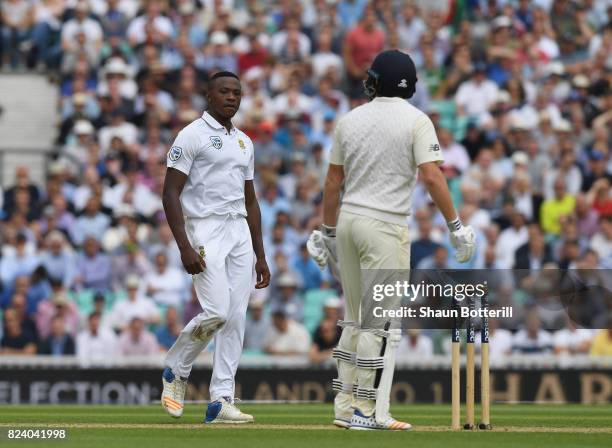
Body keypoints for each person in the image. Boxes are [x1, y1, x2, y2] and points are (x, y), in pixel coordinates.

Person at [307, 50, 476, 430]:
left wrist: (327, 232)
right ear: (409, 84)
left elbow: (333, 182)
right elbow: (432, 178)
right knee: (376, 324)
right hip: (385, 227)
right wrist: (456, 226)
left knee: (353, 320)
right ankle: (367, 410)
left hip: (349, 221)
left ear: (379, 80)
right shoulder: (418, 121)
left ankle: (344, 405)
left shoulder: (350, 120)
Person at [161, 71, 270, 424]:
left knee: (236, 317)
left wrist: (261, 254)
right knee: (218, 311)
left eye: (237, 93)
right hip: (205, 229)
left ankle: (221, 399)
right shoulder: (191, 135)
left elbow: (251, 201)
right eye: (224, 91)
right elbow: (169, 193)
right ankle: (175, 370)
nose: (232, 98)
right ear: (208, 95)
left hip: (238, 230)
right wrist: (184, 246)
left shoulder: (244, 142)